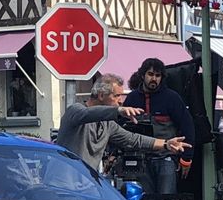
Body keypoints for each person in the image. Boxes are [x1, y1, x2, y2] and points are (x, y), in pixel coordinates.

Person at [56, 73, 190, 173]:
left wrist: (166, 144)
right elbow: (88, 114)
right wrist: (118, 111)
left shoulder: (107, 124)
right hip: (63, 187)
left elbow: (133, 139)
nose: (120, 101)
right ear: (101, 95)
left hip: (88, 187)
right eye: (116, 96)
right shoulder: (74, 111)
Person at [124, 58, 195, 200]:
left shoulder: (172, 98)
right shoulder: (132, 99)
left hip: (166, 158)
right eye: (150, 74)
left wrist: (186, 158)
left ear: (162, 77)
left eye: (157, 75)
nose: (154, 78)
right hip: (140, 159)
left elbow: (188, 127)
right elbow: (121, 129)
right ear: (143, 75)